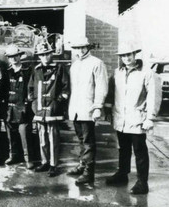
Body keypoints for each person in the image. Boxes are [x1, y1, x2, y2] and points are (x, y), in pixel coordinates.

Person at [104, 43, 162, 195]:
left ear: (135, 55)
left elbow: (153, 97)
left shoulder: (146, 73)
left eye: (129, 55)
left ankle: (142, 182)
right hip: (120, 119)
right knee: (123, 149)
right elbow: (111, 93)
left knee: (140, 151)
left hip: (137, 118)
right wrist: (108, 110)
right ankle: (122, 174)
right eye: (123, 56)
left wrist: (150, 117)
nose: (126, 58)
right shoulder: (117, 73)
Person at [67, 36, 108, 185]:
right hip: (76, 109)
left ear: (88, 47)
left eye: (83, 47)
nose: (80, 50)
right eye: (77, 48)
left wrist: (98, 106)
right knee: (81, 140)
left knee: (89, 142)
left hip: (88, 109)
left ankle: (88, 173)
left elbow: (101, 86)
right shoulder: (75, 65)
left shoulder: (97, 63)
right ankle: (82, 165)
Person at [28, 42, 70, 177]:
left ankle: (53, 164)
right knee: (42, 138)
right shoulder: (36, 69)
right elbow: (31, 88)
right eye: (42, 55)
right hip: (40, 110)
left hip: (53, 111)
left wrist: (57, 102)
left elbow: (65, 87)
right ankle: (45, 162)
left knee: (53, 138)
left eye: (47, 54)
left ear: (51, 54)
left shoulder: (59, 68)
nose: (45, 57)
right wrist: (34, 103)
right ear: (39, 57)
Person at [3, 45, 36, 169]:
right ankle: (13, 155)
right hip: (9, 108)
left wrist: (29, 104)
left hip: (23, 108)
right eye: (10, 57)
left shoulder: (28, 71)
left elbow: (31, 89)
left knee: (25, 135)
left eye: (15, 56)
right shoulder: (7, 72)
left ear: (19, 56)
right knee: (10, 134)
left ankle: (28, 159)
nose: (13, 59)